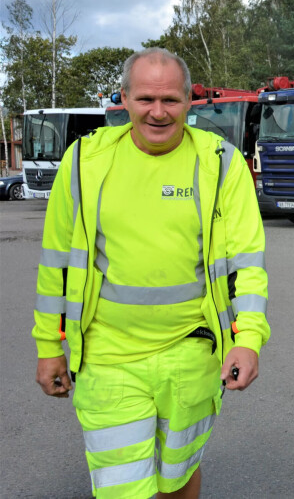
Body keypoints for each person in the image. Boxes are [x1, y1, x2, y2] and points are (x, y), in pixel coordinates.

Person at [32, 48, 270, 499]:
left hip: (192, 356)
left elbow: (247, 264)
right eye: (144, 99)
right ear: (123, 99)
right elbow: (56, 266)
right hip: (108, 359)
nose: (157, 113)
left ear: (189, 101)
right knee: (125, 490)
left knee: (177, 477)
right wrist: (49, 347)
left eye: (170, 101)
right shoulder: (84, 163)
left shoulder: (221, 163)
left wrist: (248, 339)